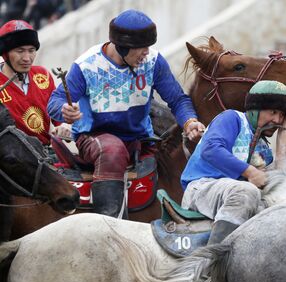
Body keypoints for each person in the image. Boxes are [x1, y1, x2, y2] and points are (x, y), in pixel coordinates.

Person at [47, 9, 205, 218]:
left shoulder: (154, 62)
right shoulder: (86, 65)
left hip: (139, 138)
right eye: (141, 48)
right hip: (93, 138)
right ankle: (109, 223)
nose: (146, 53)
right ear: (121, 47)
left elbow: (177, 99)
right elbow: (54, 102)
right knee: (112, 149)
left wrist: (190, 122)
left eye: (148, 47)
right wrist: (65, 111)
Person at [180, 80, 286, 245]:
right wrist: (251, 172)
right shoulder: (232, 118)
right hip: (201, 188)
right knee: (246, 191)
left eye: (282, 115)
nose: (277, 119)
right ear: (254, 109)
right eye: (273, 112)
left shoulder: (265, 152)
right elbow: (210, 149)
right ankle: (212, 261)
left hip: (234, 197)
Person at [0, 19, 69, 145]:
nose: (27, 58)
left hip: (45, 154)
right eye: (20, 51)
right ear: (5, 54)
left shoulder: (42, 75)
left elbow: (56, 112)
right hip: (9, 159)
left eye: (31, 50)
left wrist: (64, 125)